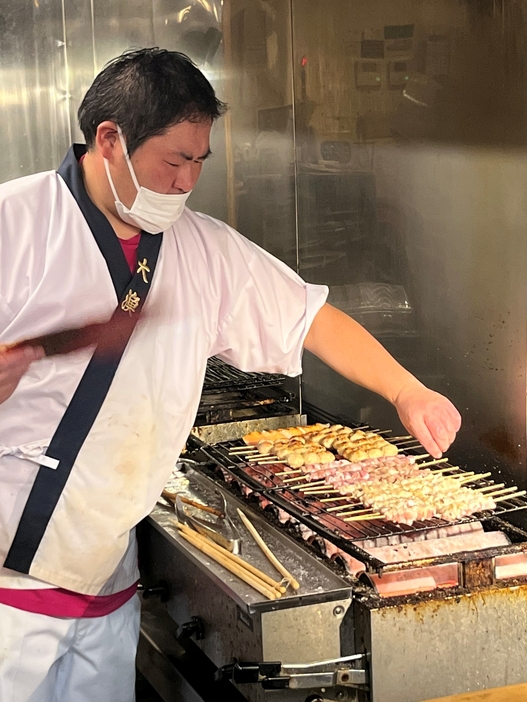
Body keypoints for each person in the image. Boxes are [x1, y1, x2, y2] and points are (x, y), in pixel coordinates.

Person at [0, 48, 461, 702]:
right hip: (8, 586)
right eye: (173, 161)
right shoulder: (15, 224)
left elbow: (308, 318)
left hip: (106, 574)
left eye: (198, 162)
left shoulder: (202, 250)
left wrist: (404, 388)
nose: (188, 182)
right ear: (109, 140)